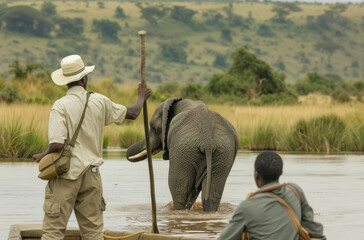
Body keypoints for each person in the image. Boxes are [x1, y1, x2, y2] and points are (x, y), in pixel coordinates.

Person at [32, 54, 150, 240]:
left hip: (66, 175)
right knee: (93, 232)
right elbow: (133, 113)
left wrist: (44, 154)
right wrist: (141, 97)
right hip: (92, 175)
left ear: (66, 82)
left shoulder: (60, 106)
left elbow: (57, 144)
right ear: (84, 78)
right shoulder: (99, 101)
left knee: (53, 231)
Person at [218, 151, 326, 240]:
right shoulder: (295, 191)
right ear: (281, 172)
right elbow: (316, 231)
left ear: (256, 175)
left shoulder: (246, 206)